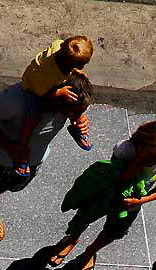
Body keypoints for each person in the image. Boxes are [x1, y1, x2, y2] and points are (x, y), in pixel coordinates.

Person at [0, 74, 93, 243]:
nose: (70, 115)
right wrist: (9, 147)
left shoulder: (69, 102)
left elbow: (78, 108)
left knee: (3, 185)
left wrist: (80, 118)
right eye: (70, 112)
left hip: (31, 160)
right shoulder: (17, 100)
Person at [46, 121, 156, 270]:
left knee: (113, 231)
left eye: (151, 159)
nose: (144, 159)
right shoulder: (125, 149)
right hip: (106, 194)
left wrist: (139, 200)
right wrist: (129, 171)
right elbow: (109, 174)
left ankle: (90, 252)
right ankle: (73, 238)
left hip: (130, 205)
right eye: (141, 153)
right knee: (86, 215)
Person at [16, 35, 94, 175]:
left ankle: (77, 123)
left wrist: (75, 71)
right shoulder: (43, 70)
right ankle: (22, 151)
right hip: (33, 91)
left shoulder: (61, 48)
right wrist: (58, 92)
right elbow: (39, 92)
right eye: (75, 65)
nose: (81, 68)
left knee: (78, 96)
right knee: (32, 119)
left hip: (54, 81)